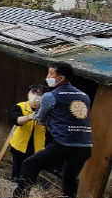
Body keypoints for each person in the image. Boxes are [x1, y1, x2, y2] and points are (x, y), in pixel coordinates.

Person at [13, 62, 92, 198]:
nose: (47, 76)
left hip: (63, 144)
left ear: (60, 78)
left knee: (29, 164)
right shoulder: (84, 96)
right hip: (85, 146)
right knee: (70, 177)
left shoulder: (50, 96)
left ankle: (20, 195)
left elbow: (40, 119)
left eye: (50, 73)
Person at [8, 84, 47, 183]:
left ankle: (26, 187)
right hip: (20, 144)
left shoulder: (47, 110)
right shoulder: (20, 106)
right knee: (17, 169)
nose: (36, 96)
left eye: (39, 94)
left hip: (37, 147)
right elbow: (16, 120)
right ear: (28, 94)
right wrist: (29, 117)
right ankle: (14, 184)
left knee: (31, 171)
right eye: (33, 93)